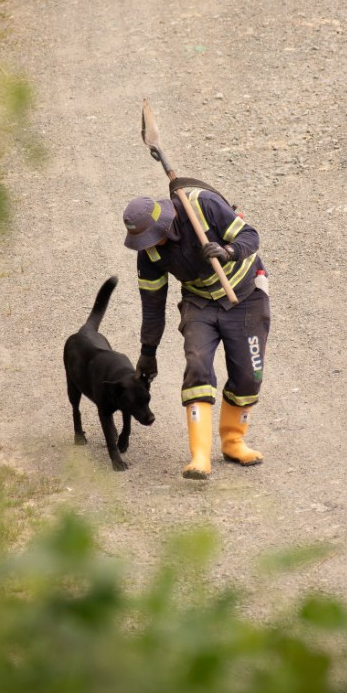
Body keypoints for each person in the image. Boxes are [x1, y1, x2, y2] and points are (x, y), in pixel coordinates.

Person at [122, 186, 270, 479]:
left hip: (246, 295)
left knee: (248, 377)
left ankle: (233, 441)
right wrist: (147, 352)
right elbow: (153, 307)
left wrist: (228, 251)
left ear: (166, 221)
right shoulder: (149, 253)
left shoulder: (202, 206)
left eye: (154, 236)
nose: (153, 243)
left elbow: (250, 236)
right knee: (197, 366)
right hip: (199, 302)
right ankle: (200, 456)